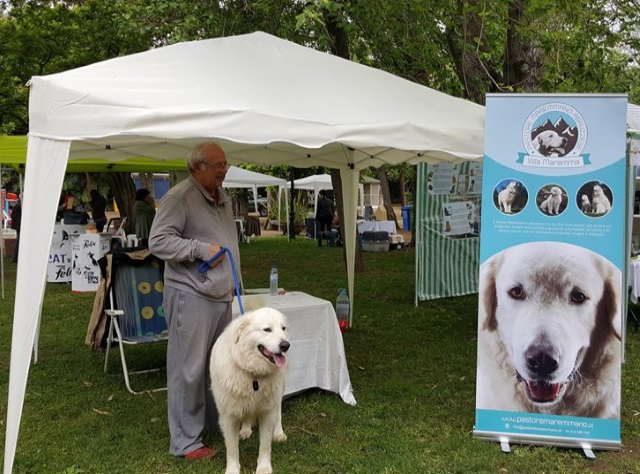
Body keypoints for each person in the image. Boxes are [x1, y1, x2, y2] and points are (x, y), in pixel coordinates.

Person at [149, 141, 240, 461]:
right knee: (187, 369)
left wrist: (232, 283)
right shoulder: (180, 197)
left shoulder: (222, 197)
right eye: (217, 165)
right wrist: (199, 250)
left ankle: (210, 424)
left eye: (225, 164)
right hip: (191, 294)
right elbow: (158, 241)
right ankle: (185, 442)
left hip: (219, 295)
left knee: (216, 365)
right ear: (197, 168)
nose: (223, 170)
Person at [10, 195, 22, 263]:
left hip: (17, 226)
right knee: (19, 241)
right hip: (19, 226)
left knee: (18, 241)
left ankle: (16, 257)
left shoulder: (17, 206)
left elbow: (12, 216)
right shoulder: (19, 206)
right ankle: (15, 257)